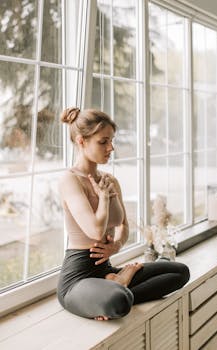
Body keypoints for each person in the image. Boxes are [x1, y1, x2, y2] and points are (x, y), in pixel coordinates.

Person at [57, 107, 190, 321]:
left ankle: (116, 287)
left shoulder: (110, 180)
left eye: (112, 140)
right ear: (81, 141)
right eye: (103, 142)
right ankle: (116, 290)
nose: (111, 147)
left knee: (180, 272)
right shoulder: (70, 180)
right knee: (119, 303)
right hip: (78, 278)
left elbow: (123, 225)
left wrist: (115, 246)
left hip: (106, 269)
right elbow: (95, 229)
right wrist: (102, 197)